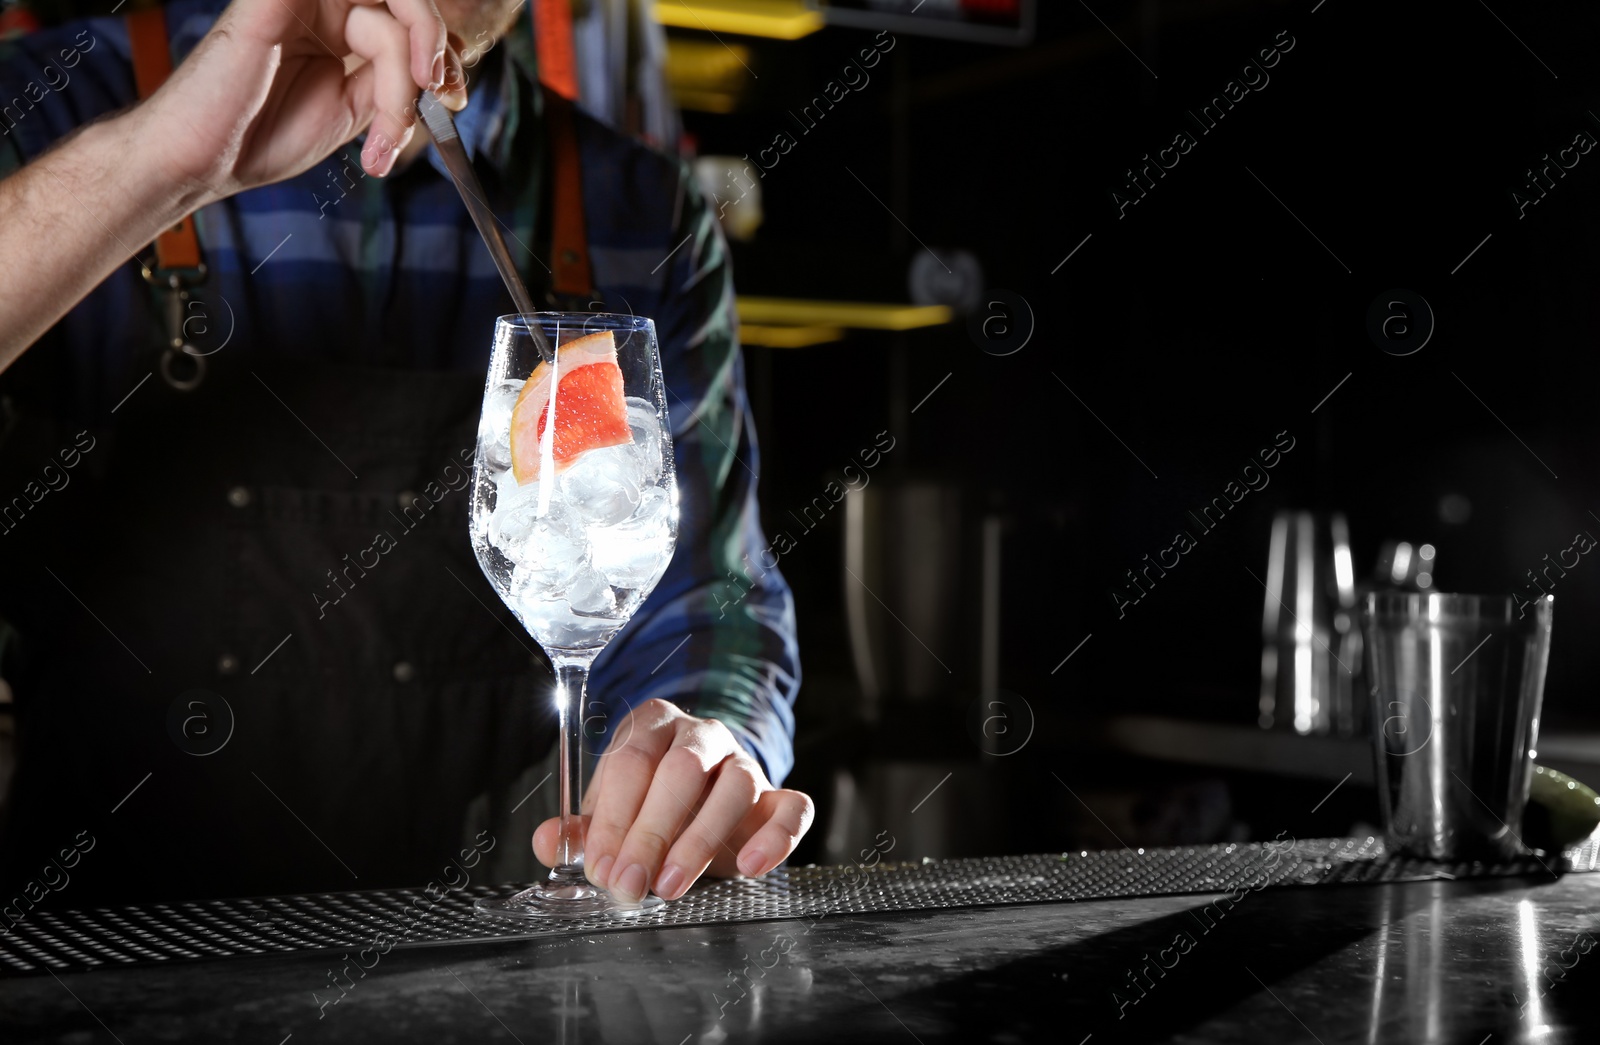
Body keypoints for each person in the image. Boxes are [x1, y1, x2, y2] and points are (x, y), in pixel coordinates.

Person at [0, 0, 811, 907]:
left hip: (483, 968)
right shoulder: (43, 104)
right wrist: (158, 167)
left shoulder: (643, 215)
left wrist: (704, 740)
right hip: (106, 957)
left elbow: (698, 604)